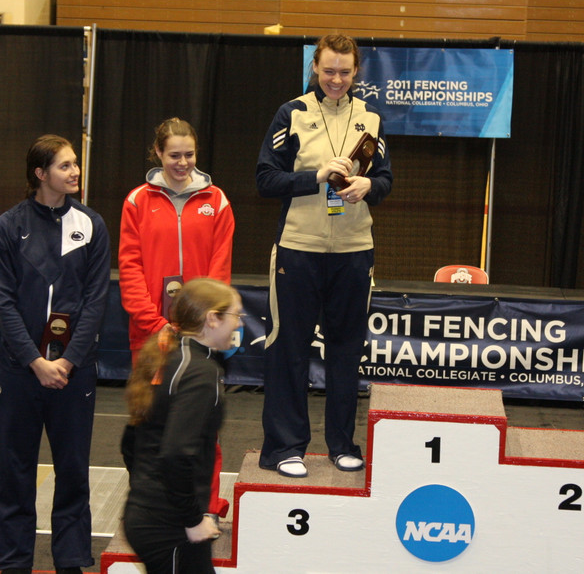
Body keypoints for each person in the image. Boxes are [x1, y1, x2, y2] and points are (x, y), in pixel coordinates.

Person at [255, 33, 393, 478]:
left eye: (345, 71)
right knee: (288, 350)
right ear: (315, 67)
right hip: (297, 250)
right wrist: (315, 175)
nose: (336, 79)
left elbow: (387, 179)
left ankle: (342, 444)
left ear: (357, 72)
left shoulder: (370, 118)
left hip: (354, 253)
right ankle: (284, 448)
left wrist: (369, 186)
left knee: (346, 352)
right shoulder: (291, 113)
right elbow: (265, 179)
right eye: (329, 70)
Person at [0, 134, 111, 574]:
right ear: (40, 174)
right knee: (15, 472)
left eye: (75, 164)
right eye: (64, 166)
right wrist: (35, 361)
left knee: (73, 472)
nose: (74, 171)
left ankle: (72, 561)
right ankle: (14, 561)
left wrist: (68, 361)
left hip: (73, 372)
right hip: (21, 371)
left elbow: (97, 301)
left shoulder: (92, 224)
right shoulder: (8, 226)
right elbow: (3, 302)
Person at [118, 117, 234, 518]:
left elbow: (220, 271)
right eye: (174, 155)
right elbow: (129, 267)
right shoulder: (136, 201)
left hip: (200, 334)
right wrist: (154, 323)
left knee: (203, 425)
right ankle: (151, 503)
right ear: (158, 154)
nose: (182, 163)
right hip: (150, 335)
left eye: (189, 155)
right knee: (148, 422)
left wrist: (198, 324)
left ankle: (206, 505)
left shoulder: (217, 201)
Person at [121, 278, 241, 574]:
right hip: (169, 525)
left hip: (151, 515)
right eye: (236, 316)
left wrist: (145, 494)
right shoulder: (201, 374)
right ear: (213, 319)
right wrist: (191, 519)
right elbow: (175, 453)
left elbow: (131, 441)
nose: (238, 325)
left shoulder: (172, 358)